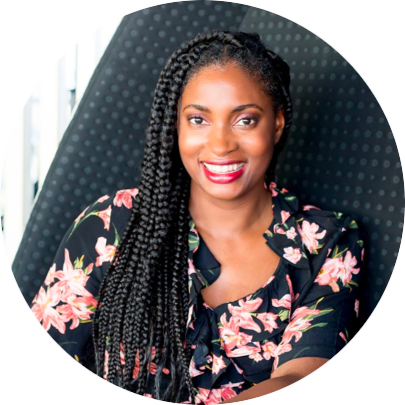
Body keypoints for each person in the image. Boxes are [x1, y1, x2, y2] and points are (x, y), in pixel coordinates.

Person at [29, 30, 363, 404]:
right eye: (198, 120)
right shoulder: (112, 224)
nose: (220, 145)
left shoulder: (325, 242)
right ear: (177, 125)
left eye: (245, 120)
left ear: (277, 123)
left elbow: (299, 374)